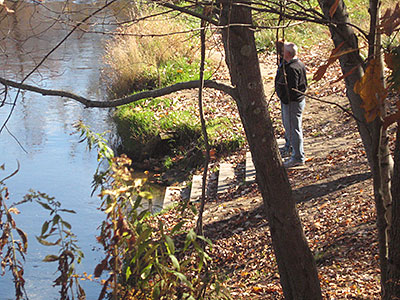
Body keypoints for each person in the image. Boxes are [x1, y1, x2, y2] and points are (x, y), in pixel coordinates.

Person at [274, 42, 307, 168]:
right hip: (290, 102)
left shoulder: (293, 68)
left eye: (283, 51)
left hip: (292, 103)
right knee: (289, 128)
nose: (281, 52)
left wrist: (285, 99)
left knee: (293, 129)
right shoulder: (293, 64)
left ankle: (298, 157)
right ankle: (290, 148)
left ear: (287, 54)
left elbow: (292, 89)